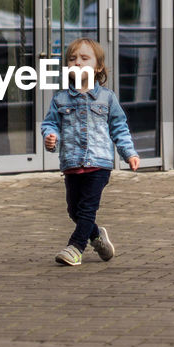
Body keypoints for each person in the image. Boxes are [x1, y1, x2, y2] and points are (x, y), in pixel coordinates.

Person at [42, 37, 139, 266]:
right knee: (74, 210)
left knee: (87, 208)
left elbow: (119, 127)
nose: (77, 63)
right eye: (72, 59)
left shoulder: (107, 98)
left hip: (99, 163)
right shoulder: (60, 99)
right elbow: (50, 124)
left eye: (84, 59)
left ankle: (75, 248)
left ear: (98, 67)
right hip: (72, 163)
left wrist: (129, 153)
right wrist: (50, 137)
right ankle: (96, 237)